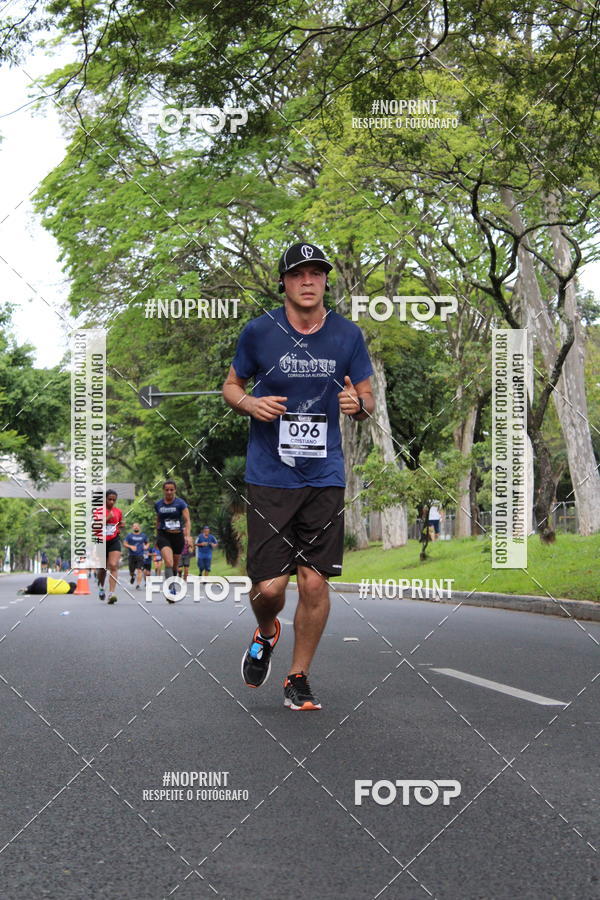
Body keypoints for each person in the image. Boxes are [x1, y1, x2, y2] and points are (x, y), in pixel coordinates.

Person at [223, 241, 374, 710]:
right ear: (285, 282)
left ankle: (298, 676)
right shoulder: (258, 332)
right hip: (270, 475)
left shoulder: (348, 336)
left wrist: (358, 406)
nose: (309, 281)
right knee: (270, 589)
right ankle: (266, 631)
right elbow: (231, 385)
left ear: (327, 280)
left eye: (317, 273)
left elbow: (366, 397)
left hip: (324, 475)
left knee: (313, 583)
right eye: (298, 274)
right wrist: (250, 403)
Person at [154, 480, 193, 602]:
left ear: (175, 490)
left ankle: (172, 583)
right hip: (163, 535)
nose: (169, 492)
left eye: (172, 489)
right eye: (167, 490)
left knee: (175, 565)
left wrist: (188, 536)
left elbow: (187, 521)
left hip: (178, 536)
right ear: (163, 490)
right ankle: (170, 590)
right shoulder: (158, 504)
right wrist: (157, 536)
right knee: (169, 563)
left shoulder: (181, 503)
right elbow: (158, 520)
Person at [94, 489, 124, 604]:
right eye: (109, 499)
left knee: (113, 565)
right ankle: (101, 587)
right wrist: (106, 518)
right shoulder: (98, 511)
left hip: (114, 540)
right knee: (102, 569)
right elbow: (95, 527)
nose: (112, 502)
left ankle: (111, 593)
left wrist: (121, 525)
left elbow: (120, 523)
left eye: (114, 500)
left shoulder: (118, 511)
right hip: (101, 541)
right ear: (105, 499)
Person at [123, 523, 148, 590]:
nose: (136, 527)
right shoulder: (129, 536)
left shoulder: (143, 535)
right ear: (132, 528)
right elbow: (125, 544)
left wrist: (146, 546)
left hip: (140, 555)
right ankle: (133, 576)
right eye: (134, 526)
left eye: (137, 526)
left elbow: (147, 542)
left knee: (139, 570)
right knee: (131, 571)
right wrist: (130, 546)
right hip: (131, 555)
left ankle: (138, 584)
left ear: (139, 527)